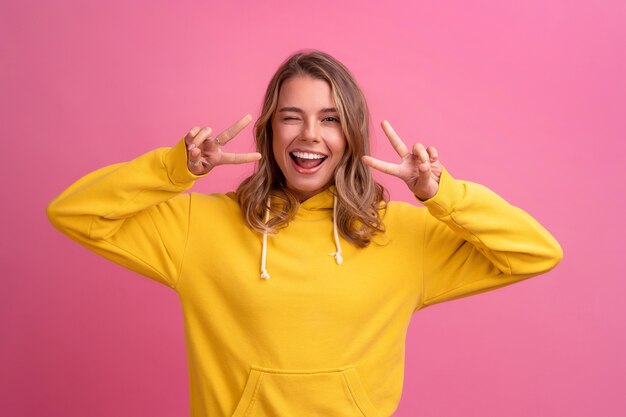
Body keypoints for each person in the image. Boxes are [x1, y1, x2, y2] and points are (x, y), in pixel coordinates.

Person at [46, 50, 563, 417]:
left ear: (351, 135)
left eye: (331, 120)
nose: (310, 135)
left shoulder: (403, 235)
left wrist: (439, 194)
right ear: (270, 132)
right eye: (291, 118)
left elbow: (534, 253)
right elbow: (75, 212)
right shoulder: (196, 227)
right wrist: (173, 169)